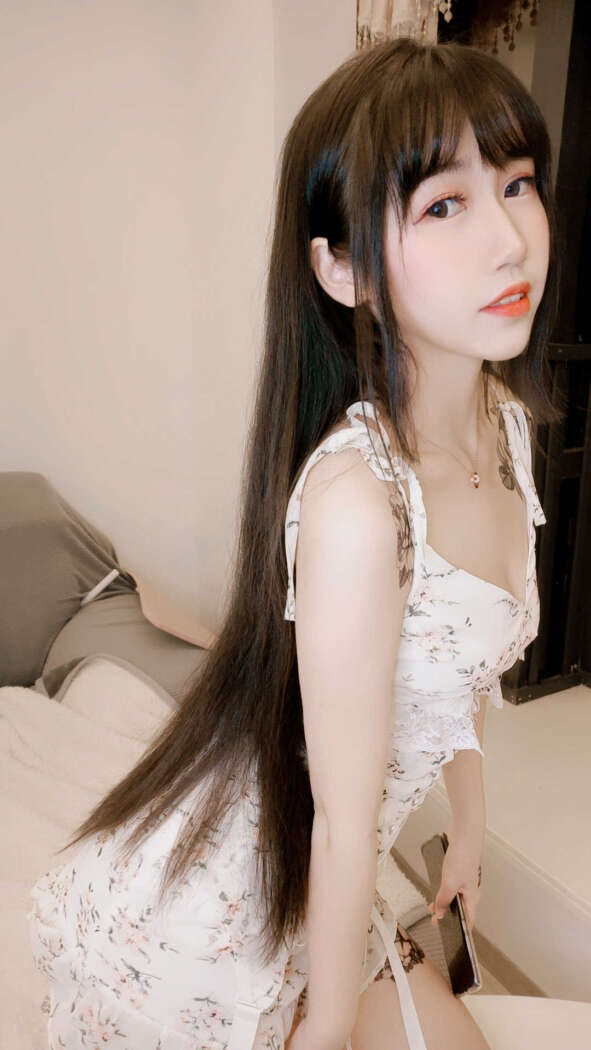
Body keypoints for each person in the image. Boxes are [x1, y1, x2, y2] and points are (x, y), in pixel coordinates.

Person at [28, 35, 561, 1050]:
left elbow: (463, 672)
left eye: (517, 185)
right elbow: (340, 821)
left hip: (327, 873)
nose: (509, 241)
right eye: (443, 205)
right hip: (235, 896)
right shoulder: (360, 503)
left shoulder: (506, 429)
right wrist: (325, 1028)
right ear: (343, 267)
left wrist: (470, 826)